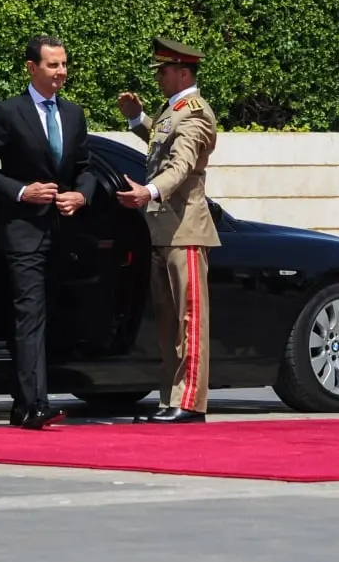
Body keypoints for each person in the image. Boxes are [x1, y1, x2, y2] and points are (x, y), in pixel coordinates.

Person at [0, 35, 97, 430]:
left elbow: (86, 166)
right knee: (30, 315)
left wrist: (82, 195)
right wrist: (23, 192)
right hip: (23, 232)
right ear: (31, 68)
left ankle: (24, 403)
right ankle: (33, 404)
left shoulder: (73, 114)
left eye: (64, 64)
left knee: (46, 317)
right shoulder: (10, 112)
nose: (61, 72)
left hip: (62, 233)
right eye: (52, 65)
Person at [116, 37, 220, 424]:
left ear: (183, 73)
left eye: (163, 71)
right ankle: (171, 399)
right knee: (168, 323)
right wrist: (137, 120)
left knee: (190, 320)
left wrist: (148, 191)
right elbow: (162, 148)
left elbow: (180, 166)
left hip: (185, 228)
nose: (158, 77)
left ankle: (190, 402)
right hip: (164, 228)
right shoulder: (173, 109)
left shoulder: (195, 113)